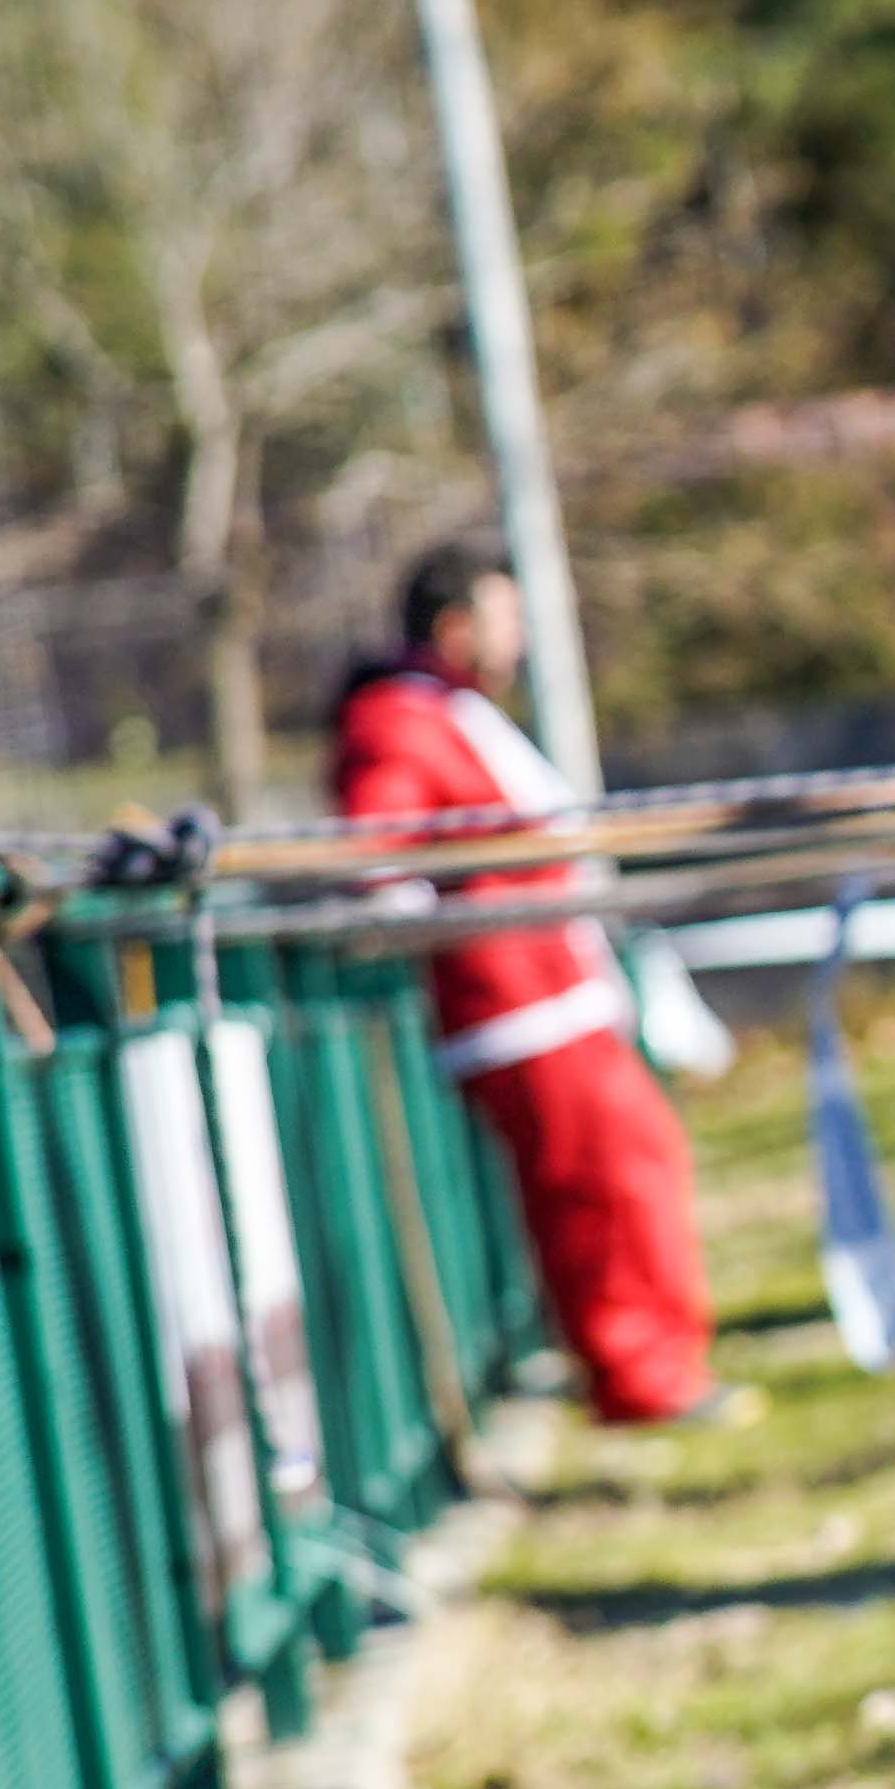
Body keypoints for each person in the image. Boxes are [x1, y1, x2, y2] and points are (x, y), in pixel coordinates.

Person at [331, 540, 724, 1424]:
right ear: (457, 624)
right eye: (505, 619)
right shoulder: (396, 718)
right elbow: (377, 852)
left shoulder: (451, 711)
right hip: (517, 1006)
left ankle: (665, 1362)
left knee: (639, 1165)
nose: (519, 640)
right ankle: (639, 1377)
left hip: (562, 992)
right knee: (599, 1188)